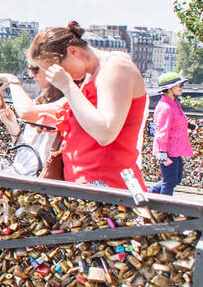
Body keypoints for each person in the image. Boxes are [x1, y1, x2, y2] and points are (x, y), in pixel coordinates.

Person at [20, 21, 148, 189]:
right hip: (89, 189)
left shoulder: (116, 68)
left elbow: (106, 133)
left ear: (73, 52)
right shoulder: (89, 77)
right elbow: (29, 112)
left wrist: (67, 86)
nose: (55, 79)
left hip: (109, 190)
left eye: (57, 70)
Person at [149, 72, 192, 195]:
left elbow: (176, 120)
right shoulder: (164, 106)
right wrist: (162, 153)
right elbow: (161, 131)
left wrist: (188, 125)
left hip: (175, 149)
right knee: (169, 181)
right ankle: (164, 211)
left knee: (175, 179)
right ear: (168, 89)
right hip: (167, 150)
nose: (181, 87)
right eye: (178, 85)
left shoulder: (173, 103)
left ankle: (149, 194)